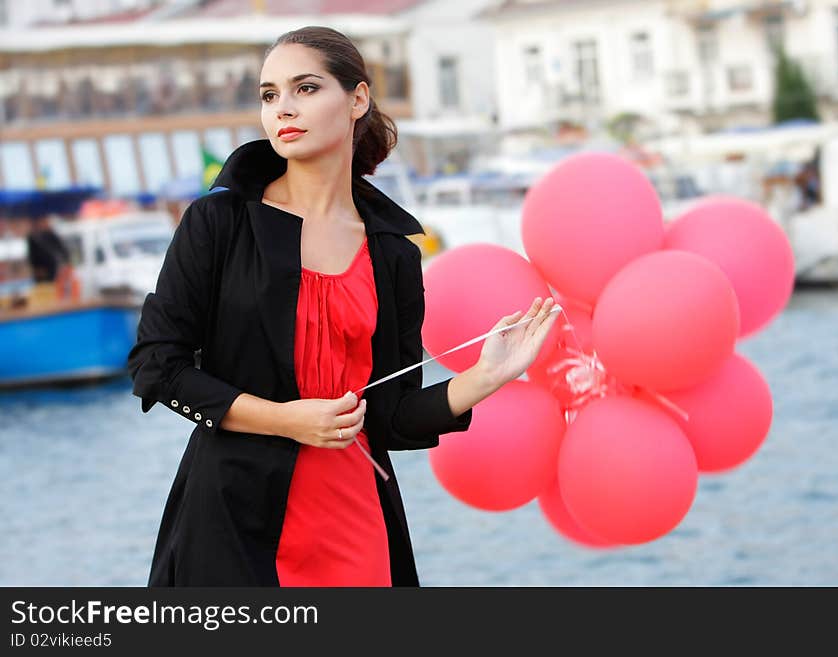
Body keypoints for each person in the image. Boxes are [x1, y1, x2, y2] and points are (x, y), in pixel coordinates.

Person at [127, 26, 559, 587]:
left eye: (305, 88)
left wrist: (487, 375)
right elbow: (157, 366)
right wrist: (286, 419)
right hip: (232, 519)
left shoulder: (393, 251)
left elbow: (391, 418)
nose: (283, 108)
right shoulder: (219, 223)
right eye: (269, 94)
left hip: (355, 517)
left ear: (357, 99)